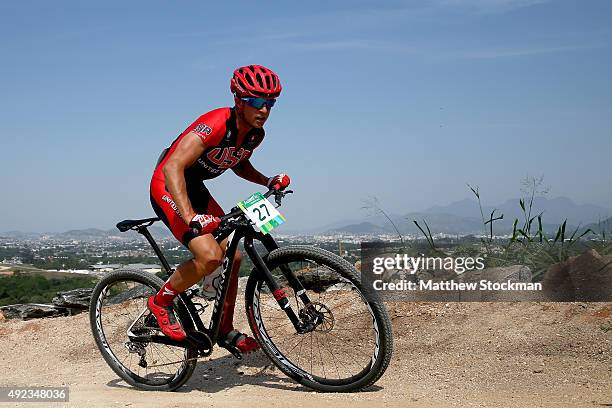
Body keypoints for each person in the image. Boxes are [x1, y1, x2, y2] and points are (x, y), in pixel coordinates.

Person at [148, 64, 290, 354]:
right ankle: (160, 302)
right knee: (211, 255)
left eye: (271, 103)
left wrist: (267, 180)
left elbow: (237, 162)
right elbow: (174, 164)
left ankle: (223, 330)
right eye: (257, 102)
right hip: (168, 184)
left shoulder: (254, 134)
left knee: (234, 257)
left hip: (195, 187)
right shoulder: (215, 123)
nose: (264, 110)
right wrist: (189, 217)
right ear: (239, 101)